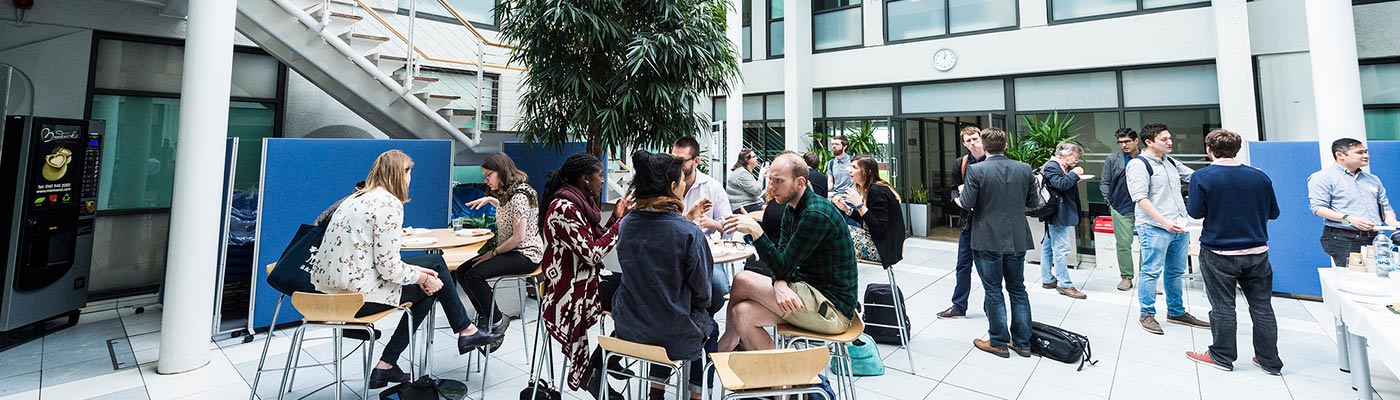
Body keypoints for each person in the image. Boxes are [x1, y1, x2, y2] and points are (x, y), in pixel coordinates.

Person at [310, 150, 502, 388]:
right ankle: (458, 333)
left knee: (434, 267)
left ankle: (458, 333)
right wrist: (423, 278)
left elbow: (375, 261)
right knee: (431, 288)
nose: (411, 178)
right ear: (399, 174)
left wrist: (421, 274)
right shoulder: (389, 204)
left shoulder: (354, 198)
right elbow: (388, 268)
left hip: (324, 295)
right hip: (356, 297)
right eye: (409, 172)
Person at [719, 153, 858, 351]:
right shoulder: (792, 209)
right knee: (742, 312)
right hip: (808, 291)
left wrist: (757, 232)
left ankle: (724, 347)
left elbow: (782, 264)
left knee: (742, 280)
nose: (771, 187)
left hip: (832, 310)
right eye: (770, 180)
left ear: (800, 182)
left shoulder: (814, 214)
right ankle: (777, 381)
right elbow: (782, 259)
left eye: (778, 181)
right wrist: (780, 282)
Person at [609, 150, 714, 400]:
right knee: (707, 325)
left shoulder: (626, 224)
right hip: (671, 334)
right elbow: (703, 294)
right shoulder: (689, 233)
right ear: (673, 186)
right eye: (681, 182)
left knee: (666, 309)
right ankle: (696, 396)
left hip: (628, 329)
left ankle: (656, 390)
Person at [1183, 129, 1284, 376]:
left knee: (1223, 306)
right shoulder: (1259, 177)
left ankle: (1221, 356)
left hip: (1219, 253)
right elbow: (1273, 213)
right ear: (1237, 149)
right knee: (1262, 307)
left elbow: (1195, 213)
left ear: (1209, 150)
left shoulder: (1202, 176)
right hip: (1258, 252)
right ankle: (1269, 361)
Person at [538, 153, 632, 392]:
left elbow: (592, 241)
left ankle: (603, 360)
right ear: (584, 179)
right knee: (638, 296)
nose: (603, 180)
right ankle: (600, 363)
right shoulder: (564, 208)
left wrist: (616, 218)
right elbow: (592, 254)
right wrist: (622, 225)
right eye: (600, 175)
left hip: (586, 278)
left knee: (637, 290)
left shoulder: (579, 203)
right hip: (568, 288)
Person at [1125, 123, 1210, 335]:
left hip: (1179, 226)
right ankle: (1147, 314)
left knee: (1175, 272)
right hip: (1155, 227)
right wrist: (1164, 222)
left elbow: (1196, 178)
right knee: (1151, 271)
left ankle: (1176, 311)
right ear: (1149, 142)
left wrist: (1225, 169)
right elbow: (1140, 198)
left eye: (1170, 138)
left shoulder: (1170, 161)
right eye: (1164, 139)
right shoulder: (1139, 165)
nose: (1170, 142)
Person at [961, 127, 1037, 358]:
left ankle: (998, 342)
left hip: (986, 237)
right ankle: (1023, 343)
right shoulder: (1024, 169)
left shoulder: (976, 171)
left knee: (993, 290)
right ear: (1006, 145)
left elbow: (967, 203)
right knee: (1018, 289)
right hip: (1017, 237)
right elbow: (1033, 202)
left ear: (984, 146)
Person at [459, 152, 546, 338]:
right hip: (513, 251)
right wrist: (492, 200)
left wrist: (493, 253)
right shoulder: (510, 193)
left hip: (526, 254)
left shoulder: (520, 195)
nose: (486, 180)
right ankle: (486, 317)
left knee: (474, 276)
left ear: (501, 171)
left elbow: (518, 237)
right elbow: (510, 212)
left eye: (488, 175)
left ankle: (496, 320)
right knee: (462, 271)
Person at [1308, 138, 1399, 268]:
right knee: (1354, 280)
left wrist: (1392, 221)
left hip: (1375, 238)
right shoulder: (1322, 177)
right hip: (1344, 237)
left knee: (1378, 277)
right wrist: (1349, 219)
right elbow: (1318, 208)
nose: (1366, 156)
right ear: (1340, 155)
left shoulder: (1373, 179)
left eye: (1366, 152)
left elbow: (1385, 205)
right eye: (1359, 152)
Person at [939, 126, 986, 319]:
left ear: (982, 139)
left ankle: (990, 306)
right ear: (964, 143)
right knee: (963, 265)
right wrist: (957, 199)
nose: (972, 143)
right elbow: (953, 189)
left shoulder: (991, 160)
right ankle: (959, 305)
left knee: (987, 267)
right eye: (968, 141)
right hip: (968, 221)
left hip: (987, 221)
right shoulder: (962, 163)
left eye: (975, 139)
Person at [834, 155, 905, 266]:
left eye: (854, 167)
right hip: (881, 243)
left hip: (883, 249)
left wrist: (859, 204)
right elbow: (869, 220)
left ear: (866, 172)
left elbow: (879, 227)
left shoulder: (877, 191)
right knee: (835, 231)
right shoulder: (872, 189)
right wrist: (847, 209)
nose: (850, 170)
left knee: (835, 233)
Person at [1039, 142, 1088, 300]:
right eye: (1075, 157)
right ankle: (1064, 284)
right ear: (1063, 155)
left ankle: (1047, 279)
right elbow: (1060, 184)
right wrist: (1075, 174)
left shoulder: (1057, 165)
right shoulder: (1052, 166)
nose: (1077, 160)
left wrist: (1072, 176)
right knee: (1061, 248)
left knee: (1048, 245)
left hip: (1056, 212)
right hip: (1058, 213)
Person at [1101, 127, 1142, 291]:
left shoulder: (1147, 157)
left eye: (1127, 141)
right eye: (1120, 142)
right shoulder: (1113, 159)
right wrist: (1110, 203)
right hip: (1120, 207)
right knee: (1124, 244)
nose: (1124, 145)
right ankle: (1126, 277)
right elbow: (1104, 182)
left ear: (1136, 141)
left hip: (1145, 208)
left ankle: (1147, 280)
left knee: (1147, 245)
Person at [726, 148, 766, 213]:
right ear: (747, 160)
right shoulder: (742, 174)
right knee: (771, 211)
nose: (757, 158)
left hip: (747, 205)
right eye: (754, 156)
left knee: (770, 208)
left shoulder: (742, 171)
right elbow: (757, 191)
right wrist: (761, 177)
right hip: (742, 207)